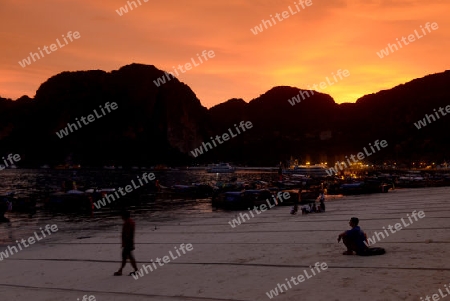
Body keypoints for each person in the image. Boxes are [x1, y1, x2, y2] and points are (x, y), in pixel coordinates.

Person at [114, 211, 138, 276]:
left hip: (128, 243)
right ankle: (121, 270)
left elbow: (127, 233)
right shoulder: (131, 222)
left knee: (126, 256)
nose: (121, 217)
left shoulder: (128, 223)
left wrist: (125, 243)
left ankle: (121, 270)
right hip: (129, 242)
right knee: (127, 256)